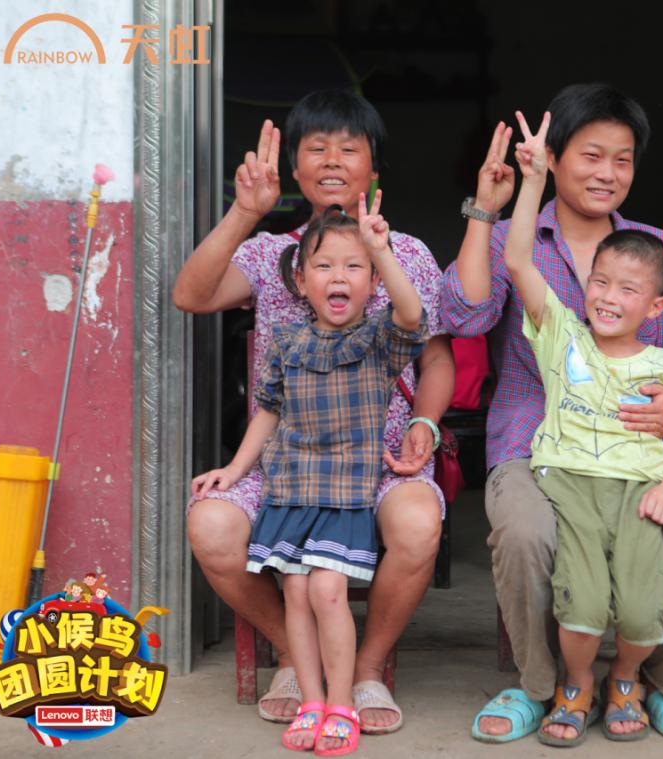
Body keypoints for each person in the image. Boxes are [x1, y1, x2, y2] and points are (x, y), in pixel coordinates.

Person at [442, 83, 663, 743]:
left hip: (639, 448)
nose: (607, 173)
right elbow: (464, 314)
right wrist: (486, 211)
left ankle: (656, 680)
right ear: (555, 158)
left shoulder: (658, 248)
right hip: (534, 445)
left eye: (622, 160)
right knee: (525, 533)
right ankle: (543, 685)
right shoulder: (516, 239)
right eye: (591, 156)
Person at [173, 90, 452, 734]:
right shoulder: (272, 253)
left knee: (416, 524)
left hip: (380, 459)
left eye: (349, 148)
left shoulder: (404, 253)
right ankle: (296, 661)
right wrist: (245, 212)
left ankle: (366, 668)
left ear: (373, 166)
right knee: (211, 525)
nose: (332, 160)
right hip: (287, 464)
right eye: (316, 148)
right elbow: (191, 294)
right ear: (294, 168)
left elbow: (435, 357)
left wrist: (424, 424)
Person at [192, 196, 426, 754]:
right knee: (296, 593)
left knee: (326, 590)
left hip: (345, 494)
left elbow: (412, 314)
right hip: (291, 490)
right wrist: (234, 469)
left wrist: (381, 251)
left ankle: (342, 703)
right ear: (300, 281)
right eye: (323, 266)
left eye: (354, 267)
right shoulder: (286, 343)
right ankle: (313, 701)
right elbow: (267, 413)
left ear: (373, 281)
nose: (338, 277)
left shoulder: (377, 341)